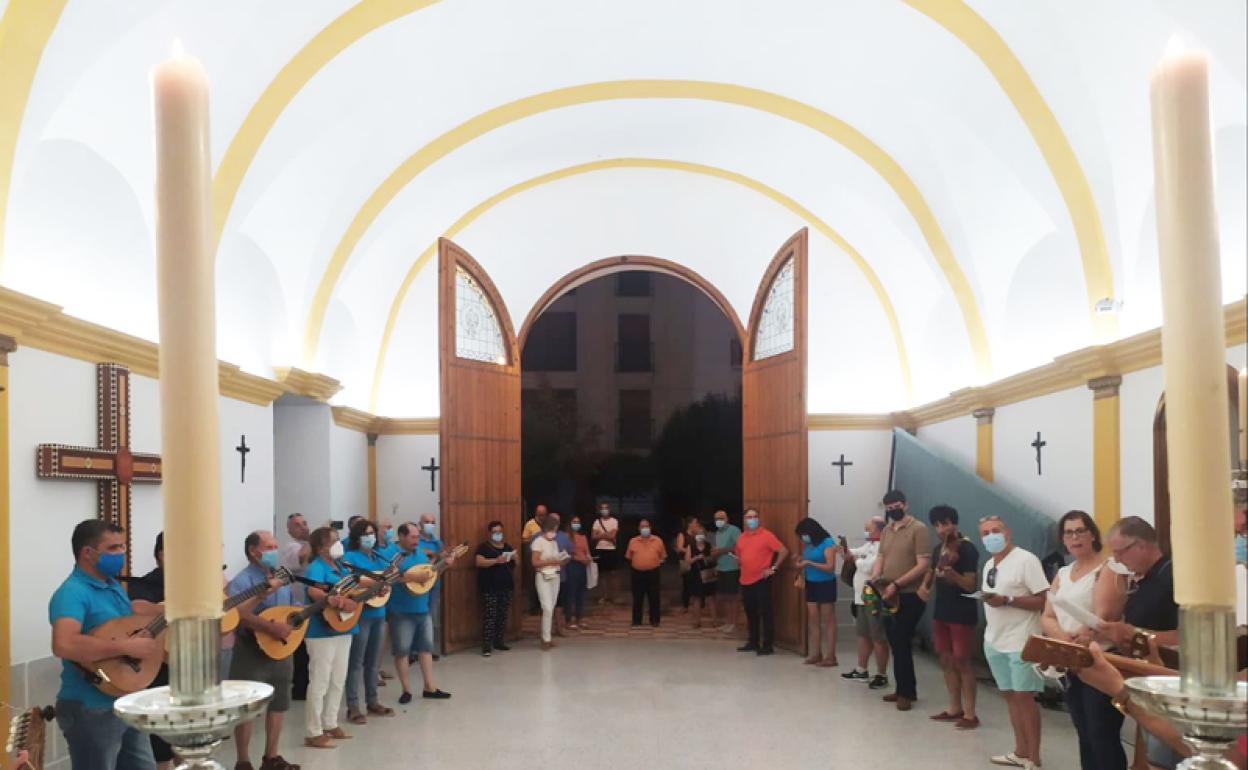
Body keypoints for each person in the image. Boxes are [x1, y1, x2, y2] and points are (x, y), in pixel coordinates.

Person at [49, 520, 162, 770]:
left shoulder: (113, 586)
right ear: (87, 553)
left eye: (122, 547)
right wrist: (125, 648)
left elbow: (123, 623)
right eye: (113, 548)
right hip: (90, 707)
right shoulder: (72, 592)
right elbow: (63, 644)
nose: (121, 554)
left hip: (125, 699)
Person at [1040, 510, 1127, 770]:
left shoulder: (1108, 568)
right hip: (1070, 660)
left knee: (1102, 733)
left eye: (1080, 531)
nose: (1075, 537)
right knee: (1084, 732)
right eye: (1068, 533)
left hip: (1099, 659)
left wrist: (1082, 635)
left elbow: (1105, 615)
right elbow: (1047, 616)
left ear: (1092, 535)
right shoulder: (1063, 573)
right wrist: (1064, 639)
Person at [1097, 516, 1181, 770]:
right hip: (1146, 679)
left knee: (1163, 756)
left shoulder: (1173, 577)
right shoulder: (1144, 579)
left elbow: (1186, 635)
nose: (1117, 559)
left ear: (1141, 545)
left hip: (1170, 681)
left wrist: (1134, 633)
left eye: (1120, 552)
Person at [978, 515, 1049, 770]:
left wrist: (1008, 600)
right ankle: (1020, 751)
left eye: (995, 530)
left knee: (1024, 697)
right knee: (1009, 696)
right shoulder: (989, 564)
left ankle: (1034, 758)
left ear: (1007, 532)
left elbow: (1043, 600)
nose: (991, 536)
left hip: (1022, 640)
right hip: (994, 639)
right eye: (985, 533)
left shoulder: (1026, 560)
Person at [227, 530, 300, 770]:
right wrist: (269, 627)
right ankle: (243, 761)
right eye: (269, 547)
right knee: (246, 707)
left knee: (279, 704)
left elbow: (290, 605)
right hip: (250, 650)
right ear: (253, 551)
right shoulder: (243, 581)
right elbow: (237, 614)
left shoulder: (281, 576)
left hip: (281, 649)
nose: (274, 552)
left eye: (276, 546)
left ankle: (271, 757)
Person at [920, 505, 980, 729]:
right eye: (936, 525)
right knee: (945, 660)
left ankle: (971, 714)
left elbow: (971, 584)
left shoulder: (967, 549)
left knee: (962, 662)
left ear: (954, 523)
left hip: (961, 613)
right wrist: (924, 586)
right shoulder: (939, 549)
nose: (941, 529)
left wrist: (952, 573)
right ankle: (955, 708)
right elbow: (931, 570)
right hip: (941, 611)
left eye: (945, 524)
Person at [871, 490, 931, 710]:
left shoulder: (918, 529)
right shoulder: (887, 530)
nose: (892, 511)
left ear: (905, 505)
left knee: (902, 640)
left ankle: (906, 693)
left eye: (896, 506)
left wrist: (897, 584)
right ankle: (903, 688)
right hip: (887, 593)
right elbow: (881, 556)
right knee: (895, 642)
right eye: (888, 508)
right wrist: (876, 578)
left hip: (909, 594)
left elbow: (923, 564)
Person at [301, 526, 359, 748]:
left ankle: (330, 722)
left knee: (338, 678)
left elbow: (353, 588)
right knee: (320, 680)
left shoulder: (342, 566)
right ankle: (313, 730)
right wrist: (336, 600)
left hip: (344, 626)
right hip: (321, 631)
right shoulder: (316, 567)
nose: (338, 544)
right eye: (333, 541)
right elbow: (314, 591)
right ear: (320, 548)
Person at [125, 533, 174, 770]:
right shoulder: (145, 584)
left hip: (185, 667)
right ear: (162, 555)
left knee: (187, 738)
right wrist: (177, 609)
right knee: (161, 745)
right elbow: (137, 606)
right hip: (156, 671)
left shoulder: (193, 585)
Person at [388, 522, 451, 702]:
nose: (417, 540)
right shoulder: (392, 553)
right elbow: (388, 577)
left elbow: (430, 576)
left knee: (426, 649)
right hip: (401, 611)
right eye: (413, 537)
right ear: (401, 536)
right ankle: (406, 690)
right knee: (402, 651)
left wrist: (444, 566)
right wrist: (412, 576)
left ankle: (429, 687)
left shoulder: (420, 554)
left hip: (422, 609)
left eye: (417, 537)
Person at [340, 519, 394, 725]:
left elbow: (386, 581)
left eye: (372, 533)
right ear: (356, 538)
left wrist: (386, 585)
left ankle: (373, 702)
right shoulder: (350, 557)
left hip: (379, 612)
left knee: (373, 662)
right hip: (360, 615)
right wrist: (375, 583)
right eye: (365, 534)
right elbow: (350, 582)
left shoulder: (379, 557)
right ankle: (353, 706)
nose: (370, 537)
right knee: (356, 661)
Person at [842, 516, 890, 688]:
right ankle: (861, 669)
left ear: (879, 530)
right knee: (863, 634)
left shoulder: (883, 547)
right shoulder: (869, 544)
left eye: (868, 529)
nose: (866, 532)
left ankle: (881, 674)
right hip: (860, 597)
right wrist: (846, 550)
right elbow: (855, 551)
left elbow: (868, 567)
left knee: (878, 637)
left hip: (874, 598)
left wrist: (856, 560)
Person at [735, 508, 788, 655]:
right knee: (750, 612)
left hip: (761, 580)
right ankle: (753, 641)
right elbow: (739, 555)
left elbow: (783, 550)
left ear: (759, 519)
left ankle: (767, 645)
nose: (752, 519)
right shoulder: (741, 537)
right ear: (744, 520)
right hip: (745, 580)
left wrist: (773, 568)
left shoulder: (766, 535)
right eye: (749, 517)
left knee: (765, 612)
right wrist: (739, 561)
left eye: (755, 516)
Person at [794, 518, 839, 666]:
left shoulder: (827, 543)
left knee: (828, 620)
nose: (802, 538)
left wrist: (809, 563)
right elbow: (807, 559)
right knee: (813, 619)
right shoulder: (808, 545)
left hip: (826, 583)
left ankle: (831, 656)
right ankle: (816, 653)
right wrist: (800, 560)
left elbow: (830, 567)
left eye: (803, 534)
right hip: (811, 583)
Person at [279, 512, 311, 701]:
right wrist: (314, 539)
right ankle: (299, 688)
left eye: (304, 523)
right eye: (298, 525)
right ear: (289, 530)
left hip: (310, 604)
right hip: (295, 606)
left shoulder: (308, 545)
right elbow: (302, 555)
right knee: (300, 651)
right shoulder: (291, 547)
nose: (303, 527)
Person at [474, 520, 515, 656]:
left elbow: (515, 564)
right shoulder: (483, 547)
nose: (498, 534)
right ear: (490, 533)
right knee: (490, 616)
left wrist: (514, 556)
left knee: (502, 615)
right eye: (495, 532)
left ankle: (499, 641)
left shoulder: (507, 547)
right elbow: (479, 562)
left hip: (506, 586)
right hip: (489, 587)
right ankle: (487, 645)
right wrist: (496, 561)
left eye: (500, 532)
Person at [415, 512, 452, 659]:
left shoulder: (438, 543)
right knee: (416, 616)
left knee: (429, 616)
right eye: (427, 522)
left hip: (434, 584)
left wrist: (446, 561)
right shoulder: (415, 541)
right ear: (420, 524)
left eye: (432, 522)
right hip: (417, 584)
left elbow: (440, 565)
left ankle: (426, 650)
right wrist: (434, 555)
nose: (430, 525)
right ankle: (412, 651)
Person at [531, 516, 567, 649]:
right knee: (546, 607)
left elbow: (556, 558)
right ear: (545, 529)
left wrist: (561, 560)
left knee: (551, 607)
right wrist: (551, 561)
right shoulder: (538, 542)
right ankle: (545, 638)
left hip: (555, 576)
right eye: (552, 530)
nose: (554, 533)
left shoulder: (554, 543)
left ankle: (548, 637)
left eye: (556, 530)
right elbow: (535, 562)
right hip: (543, 576)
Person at [625, 518, 667, 626]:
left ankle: (655, 620)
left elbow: (663, 556)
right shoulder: (633, 541)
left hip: (653, 573)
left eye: (646, 526)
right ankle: (636, 620)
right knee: (637, 597)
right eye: (642, 527)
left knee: (654, 597)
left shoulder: (658, 540)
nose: (645, 529)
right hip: (637, 573)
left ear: (650, 528)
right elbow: (629, 557)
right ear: (639, 529)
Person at [709, 509, 742, 633]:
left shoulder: (734, 530)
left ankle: (734, 623)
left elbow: (740, 546)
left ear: (727, 519)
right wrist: (714, 554)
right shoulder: (718, 533)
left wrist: (722, 550)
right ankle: (728, 622)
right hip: (721, 568)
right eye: (716, 519)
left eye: (721, 518)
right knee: (725, 597)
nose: (719, 521)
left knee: (734, 597)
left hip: (732, 568)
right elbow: (718, 550)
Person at [682, 522, 716, 629]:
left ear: (705, 535)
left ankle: (714, 621)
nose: (700, 536)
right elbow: (687, 561)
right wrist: (696, 558)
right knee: (697, 598)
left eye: (702, 534)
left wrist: (706, 558)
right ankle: (697, 621)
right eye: (698, 534)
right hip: (695, 575)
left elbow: (714, 558)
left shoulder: (709, 546)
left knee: (711, 598)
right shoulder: (690, 546)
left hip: (708, 575)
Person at [563, 514, 592, 630]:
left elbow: (587, 552)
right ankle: (569, 619)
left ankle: (579, 618)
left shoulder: (583, 537)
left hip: (582, 567)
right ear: (570, 523)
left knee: (581, 593)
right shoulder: (566, 537)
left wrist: (588, 558)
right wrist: (580, 559)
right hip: (571, 566)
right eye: (574, 522)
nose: (576, 524)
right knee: (571, 593)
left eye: (578, 522)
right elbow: (566, 553)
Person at [591, 501, 621, 605]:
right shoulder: (597, 522)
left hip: (611, 549)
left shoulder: (614, 521)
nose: (604, 510)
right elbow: (593, 536)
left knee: (613, 573)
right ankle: (604, 596)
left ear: (609, 509)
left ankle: (613, 596)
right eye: (602, 508)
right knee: (602, 574)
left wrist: (600, 534)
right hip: (600, 549)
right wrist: (606, 534)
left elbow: (613, 536)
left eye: (606, 508)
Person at [523, 504, 548, 614]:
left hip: (546, 557)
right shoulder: (530, 524)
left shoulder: (548, 524)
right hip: (533, 556)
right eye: (540, 514)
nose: (542, 516)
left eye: (544, 514)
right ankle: (533, 607)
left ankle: (544, 606)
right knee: (533, 582)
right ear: (536, 514)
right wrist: (535, 538)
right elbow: (524, 540)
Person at [674, 517, 700, 613]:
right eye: (695, 522)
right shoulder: (682, 535)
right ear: (690, 524)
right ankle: (685, 606)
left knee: (697, 582)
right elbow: (679, 548)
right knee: (686, 583)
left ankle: (698, 605)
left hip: (696, 561)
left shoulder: (696, 535)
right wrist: (689, 551)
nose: (696, 524)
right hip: (685, 562)